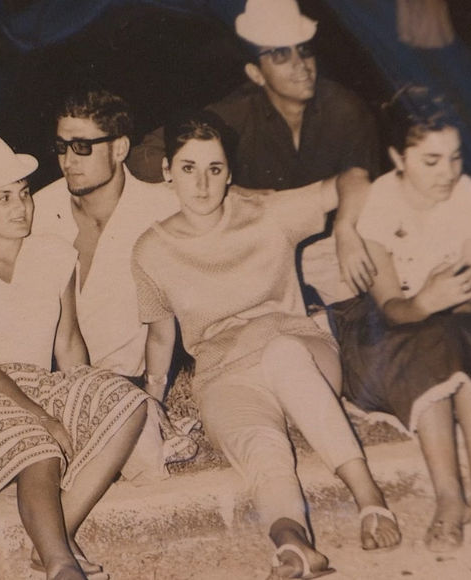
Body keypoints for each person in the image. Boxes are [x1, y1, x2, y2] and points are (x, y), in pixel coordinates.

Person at [133, 110, 401, 580]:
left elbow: (355, 178)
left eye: (215, 169)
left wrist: (345, 228)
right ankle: (292, 543)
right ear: (167, 172)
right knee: (261, 447)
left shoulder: (269, 213)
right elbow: (161, 335)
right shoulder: (149, 250)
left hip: (298, 349)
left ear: (229, 173)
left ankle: (369, 499)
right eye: (189, 168)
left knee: (284, 355)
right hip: (223, 374)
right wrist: (154, 404)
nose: (202, 184)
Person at [327, 86, 471, 552]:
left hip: (455, 328)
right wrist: (427, 300)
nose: (449, 174)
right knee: (430, 339)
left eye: (456, 158)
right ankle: (449, 498)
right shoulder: (380, 203)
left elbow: (467, 309)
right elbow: (391, 308)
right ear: (399, 157)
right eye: (432, 161)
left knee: (466, 337)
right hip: (392, 330)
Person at [0, 135, 150, 580]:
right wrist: (46, 419)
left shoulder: (55, 257)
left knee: (130, 402)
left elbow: (69, 344)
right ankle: (60, 565)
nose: (21, 207)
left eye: (24, 193)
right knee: (38, 445)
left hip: (40, 381)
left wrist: (89, 396)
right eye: (3, 198)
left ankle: (56, 533)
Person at [128, 0, 381, 307]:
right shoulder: (236, 113)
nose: (300, 65)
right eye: (280, 54)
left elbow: (363, 179)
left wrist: (346, 227)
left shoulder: (344, 109)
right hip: (257, 260)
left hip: (336, 247)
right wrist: (230, 190)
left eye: (304, 49)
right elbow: (144, 156)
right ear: (256, 73)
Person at [31, 89, 194, 481]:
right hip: (52, 384)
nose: (68, 161)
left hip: (127, 382)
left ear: (119, 148)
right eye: (61, 146)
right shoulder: (36, 211)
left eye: (82, 147)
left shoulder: (162, 211)